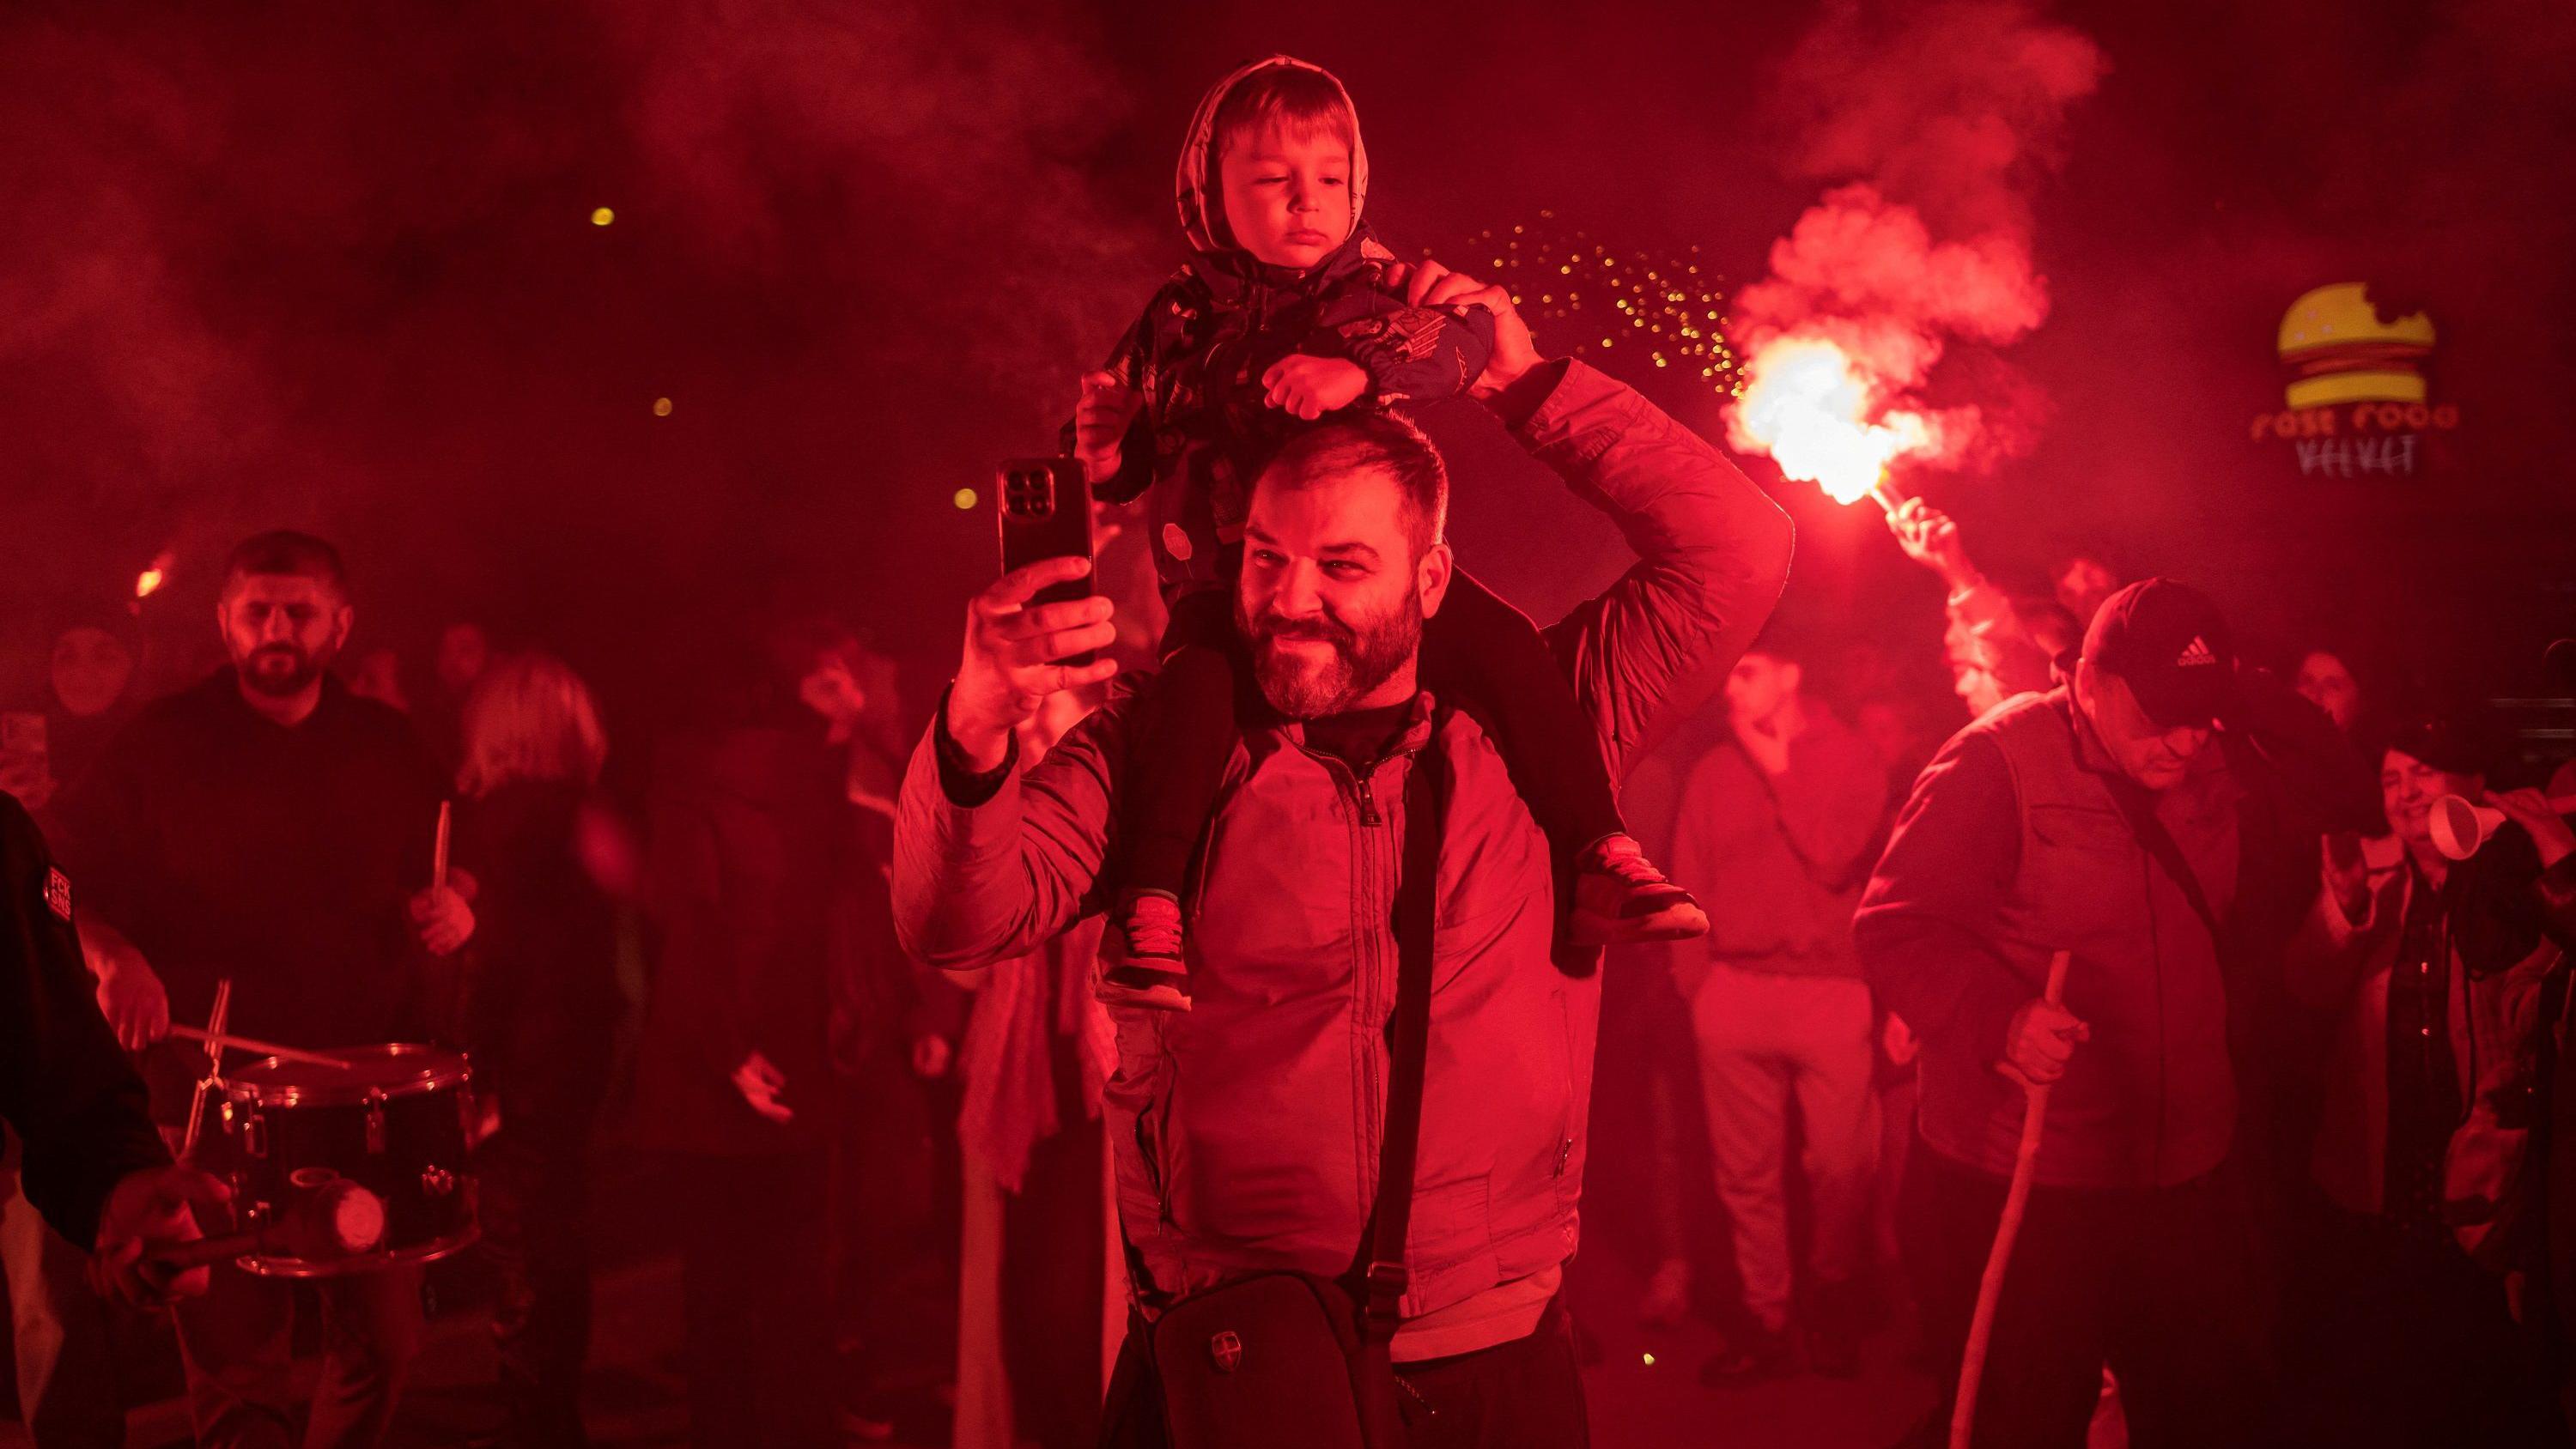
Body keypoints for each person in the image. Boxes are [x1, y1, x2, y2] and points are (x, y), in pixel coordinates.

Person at [897, 264, 1792, 1443]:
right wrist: (971, 730)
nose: (1289, 601)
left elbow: (1739, 549)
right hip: (1235, 1356)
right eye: (1266, 558)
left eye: (1342, 567)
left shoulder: (1550, 725)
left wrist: (1525, 386)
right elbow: (958, 920)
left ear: (1432, 580)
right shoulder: (1162, 751)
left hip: (1489, 1356)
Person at [1068, 56, 1704, 1009]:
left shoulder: (1369, 289)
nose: (1305, 203)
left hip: (1374, 589)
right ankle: (1152, 905)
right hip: (1222, 583)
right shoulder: (1175, 317)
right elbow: (1135, 446)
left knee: (1507, 648)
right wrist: (1108, 446)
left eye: (1329, 179)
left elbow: (1459, 342)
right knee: (1190, 695)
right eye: (1273, 181)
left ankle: (1599, 848)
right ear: (1212, 194)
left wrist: (1358, 372)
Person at [1856, 579, 2363, 1449]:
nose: (2182, 739)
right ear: (2090, 677)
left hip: (2187, 1168)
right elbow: (1898, 926)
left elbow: (2347, 788)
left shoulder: (2213, 745)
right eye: (2160, 709)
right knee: (2029, 1416)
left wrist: (2220, 689)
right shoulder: (1997, 758)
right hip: (2037, 1176)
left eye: (2197, 714)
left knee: (2203, 1412)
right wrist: (2000, 1018)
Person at [50, 529, 473, 1449]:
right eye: (258, 610)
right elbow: (50, 876)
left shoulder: (386, 740)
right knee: (240, 1371)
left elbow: (452, 867)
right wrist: (110, 954)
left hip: (363, 1098)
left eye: (300, 610)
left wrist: (456, 906)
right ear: (225, 621)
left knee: (387, 1344)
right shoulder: (162, 739)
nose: (277, 627)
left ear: (341, 622)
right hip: (210, 1098)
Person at [2275, 706, 2573, 1447]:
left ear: (2471, 783)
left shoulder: (2510, 883)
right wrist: (2343, 911)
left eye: (2422, 774)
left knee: (2485, 1373)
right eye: (2390, 779)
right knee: (2393, 1367)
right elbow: (2306, 988)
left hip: (2483, 1182)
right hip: (2381, 1171)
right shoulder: (2369, 871)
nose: (2405, 793)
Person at [631, 624, 852, 1449]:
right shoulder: (810, 777)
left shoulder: (684, 781)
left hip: (712, 1067)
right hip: (802, 1045)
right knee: (798, 1280)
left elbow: (690, 920)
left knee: (717, 1291)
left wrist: (727, 1051)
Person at [1668, 633, 1889, 1381]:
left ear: (1792, 674)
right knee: (1746, 1176)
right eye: (1728, 672)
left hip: (1829, 989)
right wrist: (1700, 989)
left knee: (1842, 1165)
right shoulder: (1711, 774)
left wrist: (1773, 765)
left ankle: (1831, 1293)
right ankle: (1769, 1320)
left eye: (1750, 671)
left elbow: (1832, 855)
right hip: (1736, 991)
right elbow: (1685, 885)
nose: (1732, 688)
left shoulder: (1850, 757)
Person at [454, 652, 623, 1447]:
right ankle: (555, 1418)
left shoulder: (483, 828)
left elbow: (490, 963)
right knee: (559, 1253)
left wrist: (473, 1072)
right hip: (579, 1059)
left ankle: (537, 1424)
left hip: (514, 1066)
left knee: (523, 1259)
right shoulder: (595, 817)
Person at [0, 607, 145, 1449]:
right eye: (67, 650)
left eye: (105, 650)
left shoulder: (151, 757)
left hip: (82, 1068)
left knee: (62, 1292)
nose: (85, 668)